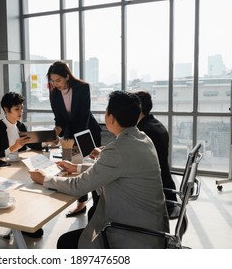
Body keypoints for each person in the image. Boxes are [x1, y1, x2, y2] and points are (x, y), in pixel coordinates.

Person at [29, 90, 169, 248]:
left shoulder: (118, 149)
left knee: (65, 242)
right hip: (151, 227)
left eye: (107, 110)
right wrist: (76, 166)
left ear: (111, 117)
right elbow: (111, 169)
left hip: (133, 235)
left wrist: (44, 179)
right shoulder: (143, 138)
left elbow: (78, 186)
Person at [47, 61, 102, 218]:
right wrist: (58, 130)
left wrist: (79, 142)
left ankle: (99, 205)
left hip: (88, 132)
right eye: (52, 81)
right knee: (75, 167)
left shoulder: (82, 88)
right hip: (71, 134)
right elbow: (60, 118)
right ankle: (81, 203)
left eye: (58, 80)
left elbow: (84, 116)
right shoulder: (54, 94)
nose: (55, 84)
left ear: (67, 76)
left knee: (94, 167)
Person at [0, 91, 44, 238]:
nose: (21, 112)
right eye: (17, 109)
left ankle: (26, 222)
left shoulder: (21, 126)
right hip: (4, 173)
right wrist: (12, 148)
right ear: (6, 110)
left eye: (22, 108)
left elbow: (32, 145)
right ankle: (19, 224)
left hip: (19, 169)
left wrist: (47, 140)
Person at [134, 90, 178, 207]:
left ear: (137, 108)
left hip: (156, 194)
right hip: (165, 186)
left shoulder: (144, 132)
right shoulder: (156, 124)